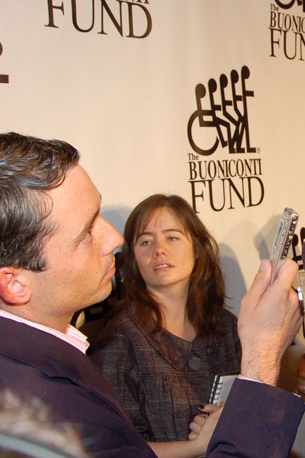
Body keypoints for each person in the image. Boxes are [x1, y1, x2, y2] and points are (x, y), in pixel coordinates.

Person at [0, 132, 305, 458]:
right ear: (15, 284)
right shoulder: (36, 414)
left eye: (173, 238)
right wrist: (261, 368)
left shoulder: (223, 325)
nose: (115, 239)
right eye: (87, 233)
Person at [90, 194, 241, 455]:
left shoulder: (225, 325)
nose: (159, 249)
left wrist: (233, 417)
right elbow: (116, 449)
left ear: (196, 246)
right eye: (145, 241)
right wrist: (196, 446)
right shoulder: (118, 341)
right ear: (132, 259)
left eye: (172, 237)